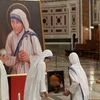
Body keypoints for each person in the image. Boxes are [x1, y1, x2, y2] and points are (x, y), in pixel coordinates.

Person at [4, 8, 42, 74]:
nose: (14, 25)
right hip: (15, 75)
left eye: (17, 22)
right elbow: (6, 60)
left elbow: (41, 58)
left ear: (23, 22)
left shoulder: (32, 36)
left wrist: (29, 58)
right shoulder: (10, 37)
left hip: (31, 74)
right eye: (12, 21)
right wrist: (16, 59)